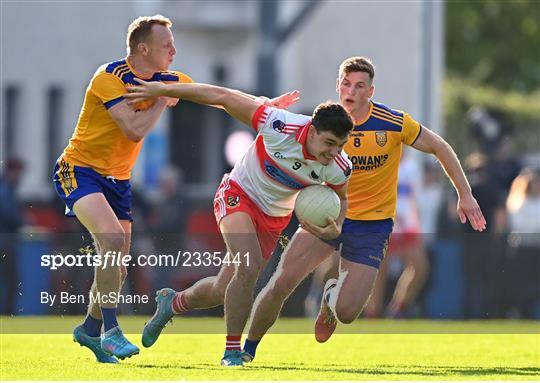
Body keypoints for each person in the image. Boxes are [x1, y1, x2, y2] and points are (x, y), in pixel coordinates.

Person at [239, 56, 486, 362]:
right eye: (346, 84)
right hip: (325, 214)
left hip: (372, 226)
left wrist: (465, 194)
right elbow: (276, 130)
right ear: (338, 86)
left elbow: (440, 146)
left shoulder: (394, 123)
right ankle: (246, 351)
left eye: (359, 86)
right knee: (281, 282)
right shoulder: (323, 122)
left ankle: (330, 299)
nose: (351, 91)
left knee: (347, 312)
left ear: (371, 91)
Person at [124, 80, 354, 366]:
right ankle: (232, 352)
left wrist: (337, 225)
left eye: (341, 145)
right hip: (237, 194)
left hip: (273, 219)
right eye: (329, 143)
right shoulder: (279, 125)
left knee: (223, 289)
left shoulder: (339, 165)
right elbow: (222, 95)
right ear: (312, 129)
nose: (334, 152)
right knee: (249, 267)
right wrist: (162, 89)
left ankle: (171, 303)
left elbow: (341, 199)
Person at [52, 14, 195, 363]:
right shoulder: (108, 77)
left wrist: (263, 108)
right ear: (143, 48)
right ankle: (111, 332)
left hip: (117, 181)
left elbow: (214, 95)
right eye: (166, 45)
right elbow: (132, 129)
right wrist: (162, 99)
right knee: (112, 241)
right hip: (79, 170)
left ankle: (88, 329)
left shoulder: (167, 78)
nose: (174, 51)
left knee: (116, 267)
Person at [365, 151, 429, 318]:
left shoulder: (412, 165)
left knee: (420, 267)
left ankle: (398, 307)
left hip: (407, 225)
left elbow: (416, 197)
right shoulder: (379, 161)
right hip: (384, 221)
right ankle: (372, 313)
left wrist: (415, 222)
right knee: (379, 270)